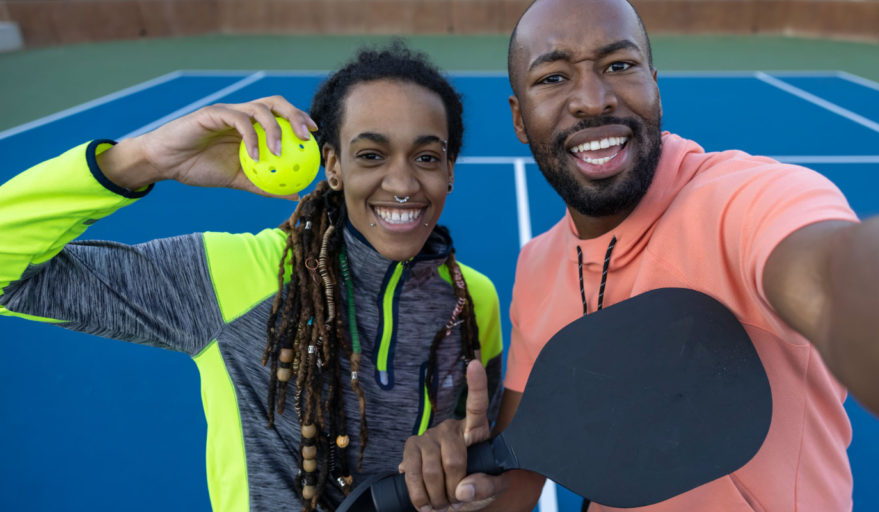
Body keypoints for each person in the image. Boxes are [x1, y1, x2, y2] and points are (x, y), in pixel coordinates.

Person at [397, 0, 879, 511]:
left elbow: (842, 280)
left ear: (654, 83)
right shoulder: (536, 265)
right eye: (553, 77)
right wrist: (461, 479)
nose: (592, 98)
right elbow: (522, 476)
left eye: (619, 65)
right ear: (518, 117)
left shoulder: (748, 202)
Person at [0, 43, 503, 512]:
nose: (402, 183)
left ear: (450, 170)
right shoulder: (231, 276)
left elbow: (487, 468)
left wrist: (465, 474)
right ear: (332, 165)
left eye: (427, 157)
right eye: (371, 155)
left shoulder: (473, 299)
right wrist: (143, 159)